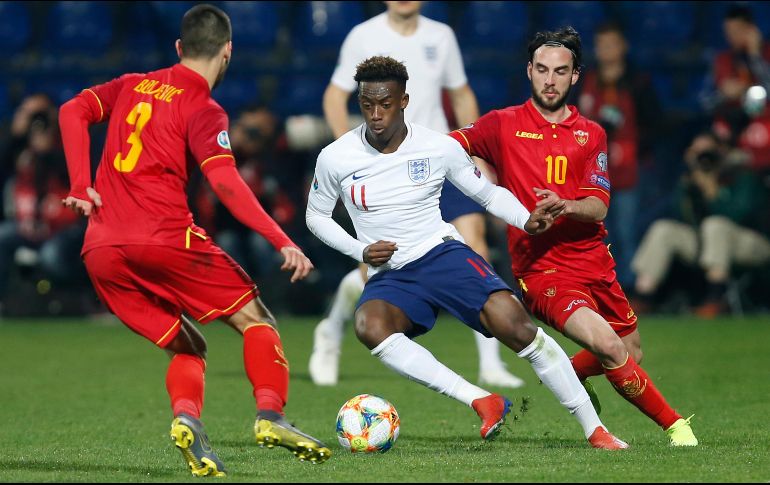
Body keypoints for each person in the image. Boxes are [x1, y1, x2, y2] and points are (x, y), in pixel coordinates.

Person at [58, 4, 330, 477]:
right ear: (228, 51)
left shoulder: (130, 84)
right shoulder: (203, 107)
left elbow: (71, 110)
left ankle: (188, 420)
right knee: (255, 317)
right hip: (164, 238)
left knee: (187, 346)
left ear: (179, 48)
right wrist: (280, 238)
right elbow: (225, 182)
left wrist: (81, 184)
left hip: (101, 249)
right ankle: (270, 416)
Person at [306, 55, 628, 450]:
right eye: (367, 104)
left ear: (404, 100)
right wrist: (361, 249)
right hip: (391, 273)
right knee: (369, 326)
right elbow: (316, 217)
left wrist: (525, 219)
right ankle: (481, 399)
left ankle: (596, 430)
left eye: (385, 104)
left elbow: (487, 192)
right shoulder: (336, 157)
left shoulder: (437, 148)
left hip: (443, 257)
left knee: (517, 327)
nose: (376, 114)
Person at [448, 27, 698, 447]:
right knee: (608, 345)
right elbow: (449, 149)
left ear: (575, 76)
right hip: (542, 268)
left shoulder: (591, 134)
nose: (550, 80)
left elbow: (599, 206)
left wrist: (565, 204)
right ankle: (676, 428)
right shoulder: (502, 124)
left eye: (560, 72)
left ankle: (565, 372)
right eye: (542, 70)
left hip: (593, 259)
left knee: (629, 351)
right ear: (529, 71)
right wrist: (483, 183)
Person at [311, 0, 523, 389]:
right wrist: (350, 154)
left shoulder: (440, 36)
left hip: (438, 160)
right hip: (385, 174)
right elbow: (333, 96)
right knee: (370, 272)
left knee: (475, 244)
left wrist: (475, 151)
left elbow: (460, 96)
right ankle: (330, 331)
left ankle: (490, 363)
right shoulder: (363, 36)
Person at [632, 132, 770, 317]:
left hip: (751, 242)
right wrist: (690, 187)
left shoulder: (740, 176)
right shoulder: (691, 180)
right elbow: (680, 216)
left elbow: (741, 215)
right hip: (707, 244)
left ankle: (716, 299)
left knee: (715, 225)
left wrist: (714, 193)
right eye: (698, 153)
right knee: (663, 229)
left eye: (709, 152)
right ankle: (642, 296)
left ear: (721, 151)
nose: (705, 158)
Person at [577, 22, 660, 288]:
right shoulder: (585, 82)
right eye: (601, 45)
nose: (606, 50)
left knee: (627, 233)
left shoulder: (638, 83)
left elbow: (655, 123)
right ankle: (600, 289)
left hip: (629, 172)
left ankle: (631, 291)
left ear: (623, 46)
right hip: (592, 173)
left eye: (611, 44)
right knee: (596, 234)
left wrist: (635, 149)